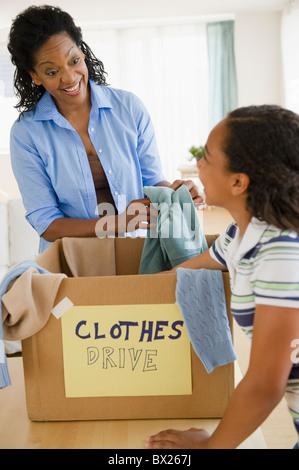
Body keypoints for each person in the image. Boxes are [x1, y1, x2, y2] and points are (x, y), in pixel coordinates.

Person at [146, 105, 299, 449]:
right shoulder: (242, 232)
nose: (198, 165)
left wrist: (211, 447)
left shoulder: (282, 255)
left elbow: (264, 385)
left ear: (238, 182)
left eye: (207, 157)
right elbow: (192, 267)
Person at [7, 5, 202, 253]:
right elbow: (47, 223)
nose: (69, 78)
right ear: (35, 75)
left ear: (82, 52)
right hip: (72, 258)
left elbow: (152, 181)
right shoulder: (27, 134)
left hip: (137, 251)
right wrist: (116, 223)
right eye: (52, 71)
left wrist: (178, 193)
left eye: (74, 60)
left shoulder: (129, 108)